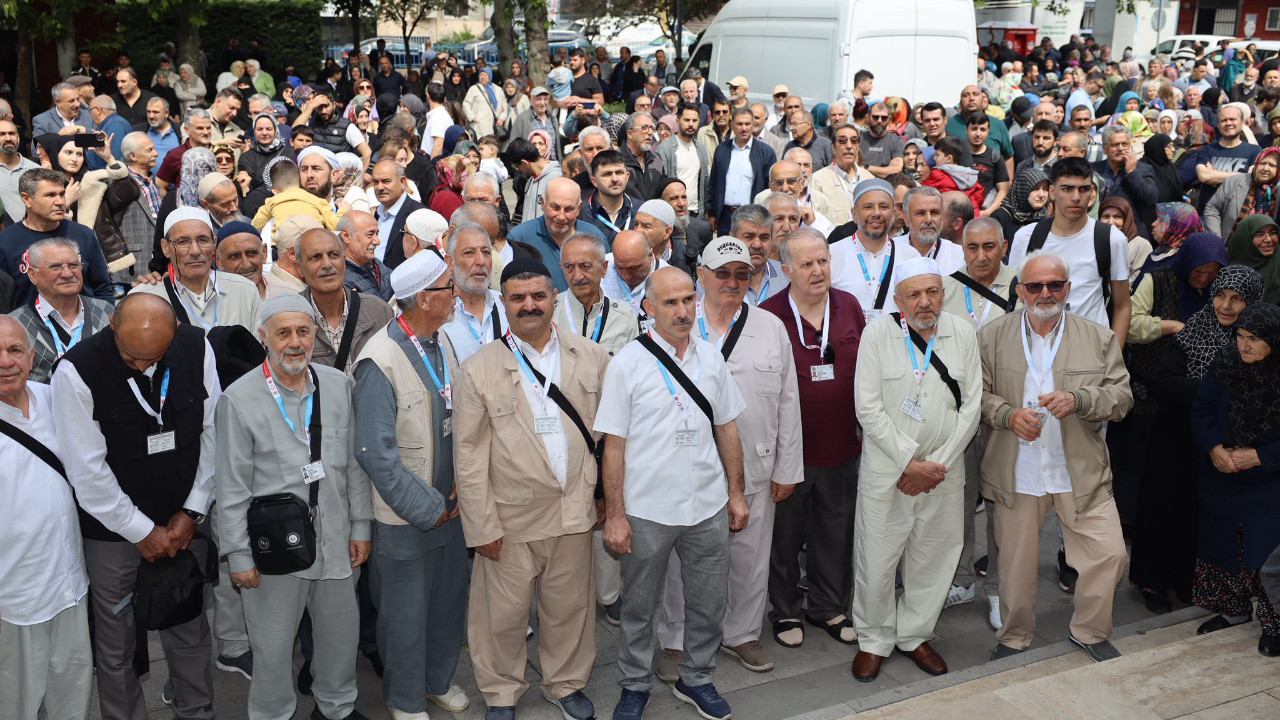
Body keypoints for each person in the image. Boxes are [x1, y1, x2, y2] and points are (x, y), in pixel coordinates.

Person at [454, 256, 610, 720]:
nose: (529, 305)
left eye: (538, 296)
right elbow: (468, 454)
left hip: (573, 511)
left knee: (569, 608)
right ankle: (501, 691)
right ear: (504, 302)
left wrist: (606, 499)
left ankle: (565, 684)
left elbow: (607, 439)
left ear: (554, 299)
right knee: (501, 615)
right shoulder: (478, 368)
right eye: (518, 297)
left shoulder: (592, 356)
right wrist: (481, 525)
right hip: (510, 516)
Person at [51, 293, 220, 720]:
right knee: (116, 646)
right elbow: (86, 469)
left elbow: (215, 430)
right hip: (111, 533)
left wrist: (193, 509)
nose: (144, 367)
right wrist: (141, 530)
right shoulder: (75, 371)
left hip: (185, 523)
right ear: (112, 325)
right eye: (132, 357)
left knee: (189, 627)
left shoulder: (197, 346)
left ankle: (196, 712)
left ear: (175, 333)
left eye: (155, 357)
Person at [596, 267, 748, 720]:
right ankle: (635, 684)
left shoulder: (711, 357)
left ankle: (697, 677)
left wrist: (736, 493)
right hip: (647, 509)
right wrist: (616, 514)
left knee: (708, 601)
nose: (682, 311)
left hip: (707, 504)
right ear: (648, 307)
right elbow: (613, 447)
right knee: (639, 607)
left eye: (688, 300)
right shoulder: (627, 363)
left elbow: (727, 427)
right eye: (670, 302)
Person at [215, 294, 373, 720]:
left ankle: (336, 708)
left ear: (315, 334)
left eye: (303, 331)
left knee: (341, 637)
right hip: (272, 550)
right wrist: (238, 555)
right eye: (282, 332)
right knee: (273, 645)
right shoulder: (238, 399)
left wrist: (361, 526)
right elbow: (230, 487)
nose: (294, 342)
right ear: (264, 336)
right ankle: (272, 714)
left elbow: (355, 466)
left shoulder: (337, 385)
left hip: (336, 538)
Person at [656, 237, 802, 677]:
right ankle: (675, 638)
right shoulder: (677, 323)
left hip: (755, 465)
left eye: (742, 273)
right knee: (681, 561)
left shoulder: (770, 327)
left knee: (749, 557)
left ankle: (742, 634)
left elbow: (788, 401)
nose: (733, 281)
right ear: (701, 274)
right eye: (722, 273)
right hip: (687, 468)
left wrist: (787, 467)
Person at [981, 251, 1134, 663]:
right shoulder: (992, 336)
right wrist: (1007, 415)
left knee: (1110, 553)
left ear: (1068, 289)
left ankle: (1090, 630)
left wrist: (1080, 399)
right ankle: (1013, 637)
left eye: (1054, 285)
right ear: (1020, 291)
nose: (1045, 293)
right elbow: (975, 394)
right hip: (1019, 469)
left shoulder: (1098, 337)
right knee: (1014, 563)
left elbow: (1122, 397)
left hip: (1079, 471)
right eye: (1034, 285)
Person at [348, 248, 471, 720]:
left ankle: (437, 681)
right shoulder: (379, 358)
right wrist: (428, 505)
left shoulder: (442, 340)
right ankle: (404, 698)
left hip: (452, 507)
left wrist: (459, 490)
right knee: (404, 615)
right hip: (407, 513)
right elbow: (374, 453)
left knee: (446, 603)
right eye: (448, 289)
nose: (456, 296)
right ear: (423, 298)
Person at [849, 256, 981, 682]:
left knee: (935, 556)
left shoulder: (961, 332)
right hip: (889, 471)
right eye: (915, 294)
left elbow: (972, 407)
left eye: (932, 292)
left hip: (943, 471)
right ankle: (873, 639)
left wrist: (933, 467)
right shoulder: (877, 334)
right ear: (898, 298)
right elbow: (867, 408)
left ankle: (915, 633)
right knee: (877, 560)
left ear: (943, 292)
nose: (925, 302)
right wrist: (910, 463)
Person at [1134, 266, 1264, 614]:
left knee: (1197, 515)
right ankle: (1152, 582)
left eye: (1237, 299)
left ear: (1251, 302)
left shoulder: (1258, 338)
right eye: (1220, 295)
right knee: (1163, 509)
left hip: (1222, 443)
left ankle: (1185, 580)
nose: (1225, 305)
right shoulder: (1195, 330)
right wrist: (1215, 392)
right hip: (1174, 438)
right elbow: (1162, 382)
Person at [758, 229, 863, 648]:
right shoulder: (768, 316)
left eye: (823, 261)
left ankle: (827, 605)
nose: (818, 270)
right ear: (786, 270)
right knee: (784, 537)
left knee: (835, 534)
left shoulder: (849, 306)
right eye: (807, 264)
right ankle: (784, 611)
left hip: (842, 448)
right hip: (789, 453)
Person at [0, 314, 93, 720]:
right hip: (12, 598)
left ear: (31, 354)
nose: (6, 361)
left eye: (14, 350)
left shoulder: (54, 398)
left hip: (70, 584)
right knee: (14, 703)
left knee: (71, 695)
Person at [939, 217, 1018, 625]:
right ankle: (961, 579)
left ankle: (999, 590)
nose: (981, 255)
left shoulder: (1023, 286)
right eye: (973, 248)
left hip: (1004, 413)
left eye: (990, 246)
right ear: (962, 248)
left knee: (1001, 504)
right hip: (956, 414)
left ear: (1003, 247)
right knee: (956, 501)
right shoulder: (947, 287)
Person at [1189, 302, 1280, 656]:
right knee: (1222, 545)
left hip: (1269, 483)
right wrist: (1213, 448)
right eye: (1241, 336)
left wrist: (1260, 456)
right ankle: (1234, 611)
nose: (1245, 346)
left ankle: (1274, 624)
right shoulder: (1225, 364)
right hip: (1223, 474)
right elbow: (1202, 408)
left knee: (1265, 552)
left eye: (1254, 338)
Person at [1009, 158, 1132, 347]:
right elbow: (1016, 297)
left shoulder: (1111, 239)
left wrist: (1114, 358)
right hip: (1036, 348)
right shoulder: (1026, 237)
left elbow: (1123, 305)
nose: (1076, 197)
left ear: (1092, 193)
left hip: (1091, 349)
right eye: (1067, 189)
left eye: (1083, 189)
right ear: (1052, 192)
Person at [131, 207, 263, 333]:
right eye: (183, 242)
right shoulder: (144, 299)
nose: (195, 251)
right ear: (165, 247)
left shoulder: (244, 290)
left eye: (203, 240)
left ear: (214, 244)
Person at [0, 168, 115, 306]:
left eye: (62, 194)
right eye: (50, 195)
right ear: (26, 199)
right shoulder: (5, 242)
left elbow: (102, 287)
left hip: (85, 323)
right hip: (28, 325)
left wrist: (103, 322)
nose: (60, 201)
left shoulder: (83, 235)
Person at [8, 237, 113, 382]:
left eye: (73, 265)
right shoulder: (15, 325)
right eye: (55, 267)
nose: (67, 274)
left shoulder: (107, 312)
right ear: (33, 275)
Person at [297, 228, 393, 374]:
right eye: (316, 257)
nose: (327, 264)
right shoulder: (289, 317)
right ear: (300, 268)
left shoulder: (379, 311)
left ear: (344, 260)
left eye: (333, 255)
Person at [829, 178, 922, 321]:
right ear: (854, 214)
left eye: (884, 207)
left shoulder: (910, 256)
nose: (876, 213)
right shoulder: (831, 255)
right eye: (868, 207)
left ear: (892, 213)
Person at [507, 177, 608, 292]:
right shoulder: (519, 238)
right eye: (555, 208)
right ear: (543, 203)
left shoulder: (595, 237)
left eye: (568, 209)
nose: (561, 216)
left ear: (579, 208)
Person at [441, 222, 509, 363]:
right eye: (469, 253)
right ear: (449, 262)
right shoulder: (438, 314)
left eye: (486, 252)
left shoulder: (507, 306)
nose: (481, 261)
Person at [1178, 104, 1262, 213]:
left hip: (1239, 213)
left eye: (1232, 119)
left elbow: (1251, 180)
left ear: (1242, 122)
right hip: (1208, 212)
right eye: (1223, 120)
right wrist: (1243, 175)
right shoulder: (1206, 150)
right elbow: (1204, 176)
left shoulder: (1255, 150)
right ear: (1218, 125)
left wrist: (1215, 174)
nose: (1228, 123)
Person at [709, 108, 776, 234]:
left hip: (752, 215)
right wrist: (712, 212)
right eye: (740, 124)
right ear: (732, 125)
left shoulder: (766, 152)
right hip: (725, 216)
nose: (744, 128)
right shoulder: (721, 149)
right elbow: (713, 182)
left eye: (748, 124)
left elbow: (770, 187)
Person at [1093, 125, 1158, 236]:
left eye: (1124, 144)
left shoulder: (1143, 169)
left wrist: (1132, 172)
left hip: (1133, 233)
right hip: (1100, 231)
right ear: (1104, 148)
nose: (1121, 148)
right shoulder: (1093, 170)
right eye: (1115, 145)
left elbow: (1150, 199)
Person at [1204, 146, 1280, 238]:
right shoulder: (1234, 181)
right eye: (1262, 163)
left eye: (1272, 165)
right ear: (1256, 164)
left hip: (1266, 248)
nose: (1265, 168)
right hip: (1231, 247)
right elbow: (1212, 208)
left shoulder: (1277, 191)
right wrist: (1216, 239)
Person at [371, 158, 427, 269]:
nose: (379, 187)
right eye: (375, 182)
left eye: (386, 181)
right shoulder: (377, 214)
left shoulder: (419, 215)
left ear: (402, 182)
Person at [655, 103, 710, 218]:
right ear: (678, 121)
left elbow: (704, 182)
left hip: (696, 212)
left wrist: (704, 210)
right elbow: (659, 184)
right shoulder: (665, 148)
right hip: (672, 213)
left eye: (694, 120)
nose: (691, 124)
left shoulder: (701, 149)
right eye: (687, 120)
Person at [810, 125, 872, 226]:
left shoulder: (869, 178)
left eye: (854, 141)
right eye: (842, 141)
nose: (849, 146)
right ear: (833, 148)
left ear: (858, 147)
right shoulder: (818, 180)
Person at [899, 186, 965, 274]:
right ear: (906, 218)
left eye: (934, 212)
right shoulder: (891, 250)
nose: (929, 220)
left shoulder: (959, 255)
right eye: (920, 213)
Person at [337, 209, 393, 301]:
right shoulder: (339, 280)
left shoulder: (375, 263)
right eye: (370, 234)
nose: (377, 241)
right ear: (346, 236)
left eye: (377, 234)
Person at [1226, 214, 1280, 303]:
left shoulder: (1277, 262)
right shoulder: (1224, 261)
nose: (1268, 239)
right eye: (1260, 234)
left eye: (1272, 233)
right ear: (1244, 238)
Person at [991, 167, 1051, 243]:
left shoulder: (1048, 216)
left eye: (1045, 189)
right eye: (1035, 189)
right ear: (1022, 190)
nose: (1041, 195)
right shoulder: (1001, 217)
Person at [216, 221, 268, 297]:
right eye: (234, 256)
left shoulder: (284, 291)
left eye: (252, 253)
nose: (246, 265)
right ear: (218, 261)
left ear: (264, 253)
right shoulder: (213, 303)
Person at [860, 103, 906, 178]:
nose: (879, 121)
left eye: (884, 118)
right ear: (868, 117)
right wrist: (886, 169)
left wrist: (867, 167)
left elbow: (896, 171)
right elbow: (853, 168)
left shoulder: (896, 141)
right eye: (875, 117)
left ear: (889, 119)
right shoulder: (858, 139)